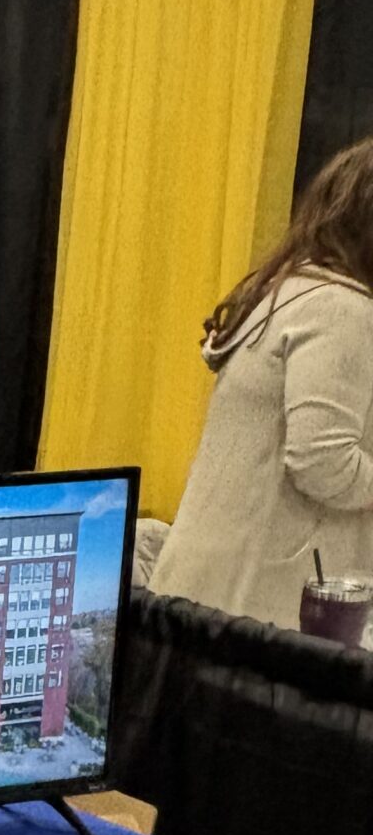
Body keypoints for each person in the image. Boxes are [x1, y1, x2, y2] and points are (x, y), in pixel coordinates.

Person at [151, 139, 373, 631]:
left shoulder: (293, 291)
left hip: (215, 598)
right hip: (255, 609)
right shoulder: (342, 310)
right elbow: (324, 462)